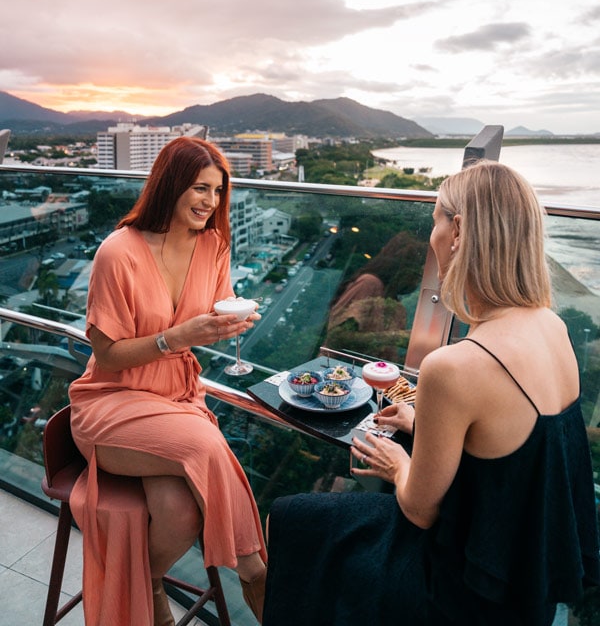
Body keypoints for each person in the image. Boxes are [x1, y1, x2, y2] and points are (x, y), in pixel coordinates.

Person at [262, 160, 600, 626]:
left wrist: (397, 465)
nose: (431, 236)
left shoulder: (453, 365)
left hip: (456, 589)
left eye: (436, 219)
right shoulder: (554, 327)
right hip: (519, 584)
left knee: (289, 518)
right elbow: (510, 455)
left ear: (457, 231)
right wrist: (424, 422)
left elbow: (419, 510)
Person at [69, 137, 267, 626]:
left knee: (180, 513)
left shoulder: (214, 246)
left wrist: (230, 323)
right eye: (200, 188)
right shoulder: (118, 252)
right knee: (205, 443)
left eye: (218, 191)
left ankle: (143, 585)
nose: (210, 201)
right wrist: (176, 337)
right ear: (171, 184)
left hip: (176, 398)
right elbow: (106, 355)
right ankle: (254, 568)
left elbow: (216, 309)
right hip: (111, 403)